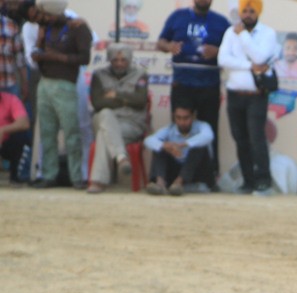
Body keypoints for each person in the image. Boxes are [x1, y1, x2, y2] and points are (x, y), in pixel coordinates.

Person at [156, 0, 229, 187]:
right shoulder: (177, 17)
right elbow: (160, 42)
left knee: (209, 131)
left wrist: (219, 51)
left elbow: (234, 51)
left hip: (209, 86)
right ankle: (176, 177)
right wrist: (169, 46)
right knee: (178, 130)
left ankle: (211, 178)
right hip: (182, 85)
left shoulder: (221, 22)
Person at [25, 0, 90, 189]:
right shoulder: (44, 28)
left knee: (71, 133)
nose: (44, 18)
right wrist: (39, 42)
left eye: (47, 15)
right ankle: (49, 176)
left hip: (65, 85)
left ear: (57, 12)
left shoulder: (77, 27)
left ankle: (77, 177)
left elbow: (85, 58)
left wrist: (56, 57)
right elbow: (35, 56)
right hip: (45, 83)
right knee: (47, 133)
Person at [218, 0, 278, 196]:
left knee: (256, 139)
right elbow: (222, 59)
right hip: (234, 94)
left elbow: (260, 57)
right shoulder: (230, 32)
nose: (248, 14)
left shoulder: (268, 33)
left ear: (258, 12)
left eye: (252, 11)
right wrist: (249, 66)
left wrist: (243, 34)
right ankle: (248, 181)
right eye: (245, 10)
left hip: (256, 96)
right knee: (240, 139)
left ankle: (264, 181)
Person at [86, 42, 147, 193]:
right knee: (105, 113)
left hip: (130, 123)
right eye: (115, 60)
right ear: (109, 60)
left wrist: (116, 95)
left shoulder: (140, 74)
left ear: (130, 60)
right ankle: (121, 157)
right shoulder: (99, 75)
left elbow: (140, 101)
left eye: (123, 60)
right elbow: (98, 103)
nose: (119, 64)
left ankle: (98, 181)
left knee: (103, 134)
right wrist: (126, 100)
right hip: (102, 119)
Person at [143, 100, 214, 195]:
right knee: (159, 147)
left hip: (197, 174)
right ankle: (160, 184)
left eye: (186, 118)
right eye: (178, 118)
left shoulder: (202, 126)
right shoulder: (170, 129)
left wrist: (181, 145)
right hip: (175, 172)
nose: (182, 122)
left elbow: (208, 136)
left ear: (193, 116)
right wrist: (166, 145)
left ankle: (178, 183)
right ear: (174, 116)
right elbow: (148, 140)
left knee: (199, 146)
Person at [0, 86, 30, 184]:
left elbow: (24, 123)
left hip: (6, 144)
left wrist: (3, 130)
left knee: (21, 136)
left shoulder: (11, 99)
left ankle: (16, 175)